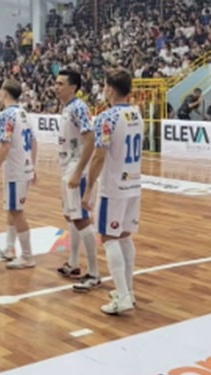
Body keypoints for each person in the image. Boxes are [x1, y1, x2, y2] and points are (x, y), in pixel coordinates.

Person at [82, 68, 143, 315]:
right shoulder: (137, 114)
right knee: (125, 236)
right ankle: (127, 290)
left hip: (114, 186)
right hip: (134, 183)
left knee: (109, 238)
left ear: (109, 89)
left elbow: (99, 157)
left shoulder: (107, 118)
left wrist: (88, 190)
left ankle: (123, 296)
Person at [54, 69, 101, 291]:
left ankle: (94, 272)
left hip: (76, 171)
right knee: (72, 217)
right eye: (56, 82)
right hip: (68, 168)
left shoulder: (79, 108)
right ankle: (73, 263)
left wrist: (78, 171)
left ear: (73, 87)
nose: (56, 86)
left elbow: (90, 139)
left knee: (82, 219)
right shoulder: (67, 108)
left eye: (61, 83)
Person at [0, 78, 38, 269]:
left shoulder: (7, 115)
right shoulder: (24, 113)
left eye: (1, 91)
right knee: (12, 209)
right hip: (24, 168)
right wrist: (33, 167)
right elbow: (34, 142)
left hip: (15, 169)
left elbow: (5, 145)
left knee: (17, 212)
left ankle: (27, 255)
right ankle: (10, 248)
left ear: (5, 93)